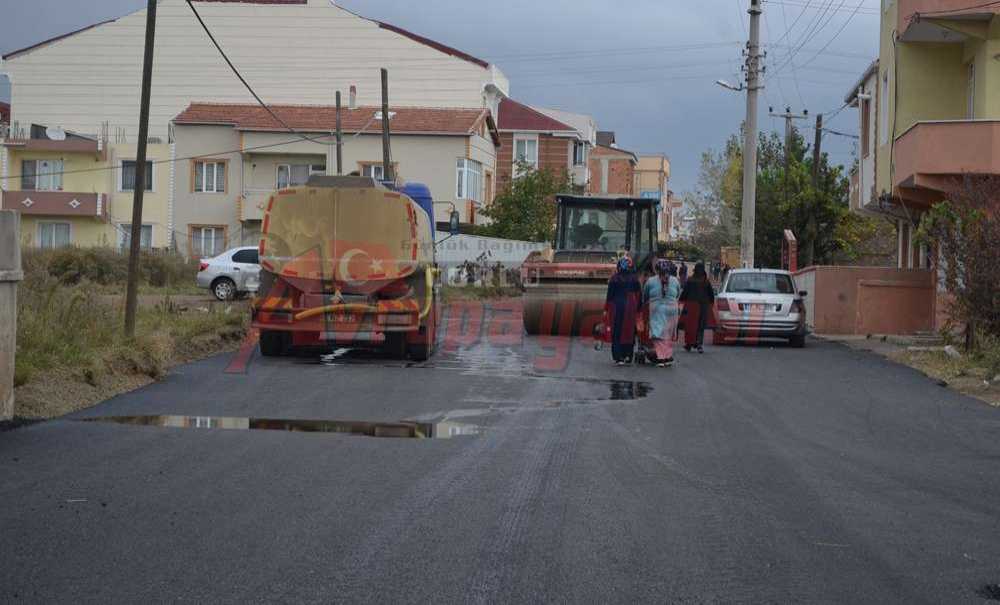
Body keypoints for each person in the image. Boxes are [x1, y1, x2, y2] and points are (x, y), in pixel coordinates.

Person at [643, 259, 681, 367]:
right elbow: (678, 293)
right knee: (668, 334)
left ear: (657, 270)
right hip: (672, 309)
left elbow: (645, 294)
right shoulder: (675, 280)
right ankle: (668, 357)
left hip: (657, 309)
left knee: (658, 334)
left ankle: (661, 358)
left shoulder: (651, 281)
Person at [605, 256, 642, 365]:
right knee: (629, 332)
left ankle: (618, 357)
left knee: (617, 331)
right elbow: (639, 296)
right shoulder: (634, 279)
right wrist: (639, 309)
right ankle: (628, 355)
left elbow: (609, 297)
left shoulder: (614, 279)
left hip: (617, 308)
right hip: (631, 308)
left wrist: (606, 310)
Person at [679, 261, 716, 353]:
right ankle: (699, 344)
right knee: (700, 325)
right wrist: (711, 302)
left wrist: (681, 299)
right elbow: (711, 294)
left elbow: (685, 292)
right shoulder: (706, 281)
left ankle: (689, 344)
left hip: (691, 305)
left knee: (690, 325)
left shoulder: (690, 280)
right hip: (703, 305)